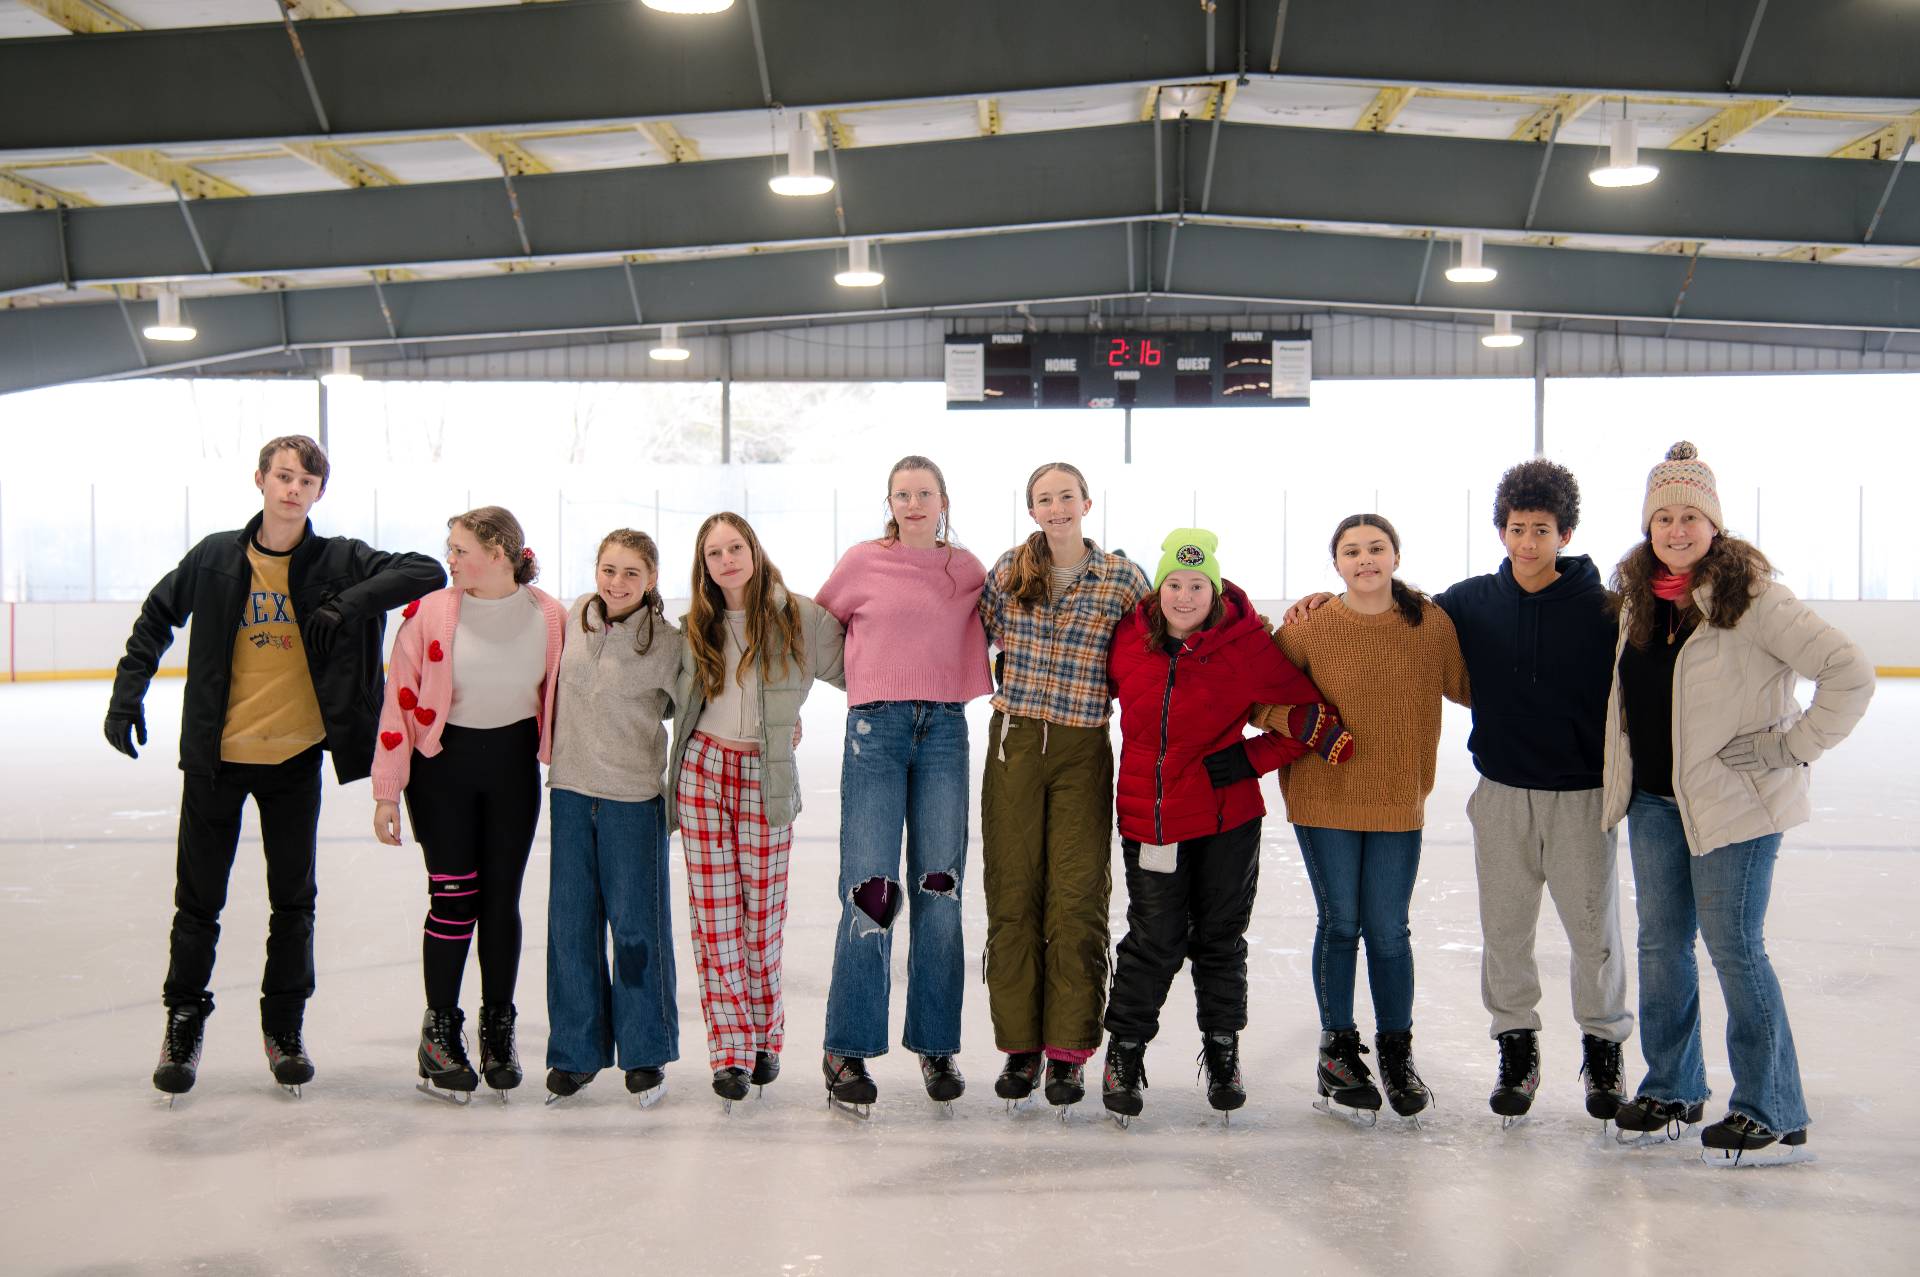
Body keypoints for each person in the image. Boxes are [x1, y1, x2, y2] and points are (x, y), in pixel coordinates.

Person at [1287, 459, 1632, 1125]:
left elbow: (1631, 680)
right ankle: (1511, 1050)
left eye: (1541, 529)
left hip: (1571, 793)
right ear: (1501, 530)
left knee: (1590, 933)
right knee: (1489, 932)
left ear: (1564, 532)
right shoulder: (1468, 601)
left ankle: (1600, 1050)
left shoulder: (1592, 609)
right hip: (1477, 793)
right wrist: (1312, 620)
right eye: (1516, 528)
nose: (1528, 541)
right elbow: (1290, 670)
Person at [106, 435, 443, 1099]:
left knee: (294, 902)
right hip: (216, 758)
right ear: (259, 479)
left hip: (293, 758)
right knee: (197, 901)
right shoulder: (214, 558)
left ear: (320, 491)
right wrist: (127, 690)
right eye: (283, 476)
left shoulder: (338, 559)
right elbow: (157, 616)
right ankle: (183, 1020)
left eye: (307, 480)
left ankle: (284, 1027)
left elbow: (425, 569)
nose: (293, 488)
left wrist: (346, 602)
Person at [1603, 442, 1872, 1164]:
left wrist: (1792, 746)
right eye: (1663, 516)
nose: (1677, 528)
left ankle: (1772, 1106)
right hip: (1656, 803)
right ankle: (1673, 1088)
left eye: (1691, 515)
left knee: (1734, 949)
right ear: (1648, 526)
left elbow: (1850, 672)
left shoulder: (1752, 596)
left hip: (1735, 804)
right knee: (1661, 949)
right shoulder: (1635, 597)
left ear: (1715, 525)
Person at [1101, 529, 1352, 1122]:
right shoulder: (1128, 640)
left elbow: (1315, 719)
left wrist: (1249, 758)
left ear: (1214, 592)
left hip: (1226, 820)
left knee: (1218, 940)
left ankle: (1222, 1053)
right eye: (1174, 584)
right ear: (1158, 588)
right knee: (1153, 940)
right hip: (1151, 818)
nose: (1184, 597)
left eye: (1197, 586)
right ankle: (1125, 1055)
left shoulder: (1246, 646)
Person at [1261, 513, 1468, 1123]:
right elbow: (1254, 695)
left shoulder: (1430, 626)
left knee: (1389, 930)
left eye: (1376, 548)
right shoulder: (1313, 627)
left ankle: (1396, 1052)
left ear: (1396, 556)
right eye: (1351, 551)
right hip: (1324, 795)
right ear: (1337, 565)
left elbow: (1473, 686)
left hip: (1398, 797)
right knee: (1342, 921)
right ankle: (1338, 1051)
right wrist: (1294, 722)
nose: (1365, 559)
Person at [813, 456, 992, 1111]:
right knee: (871, 889)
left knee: (939, 891)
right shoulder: (863, 560)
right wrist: (860, 682)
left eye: (924, 492)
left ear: (943, 499)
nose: (913, 502)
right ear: (889, 500)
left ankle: (936, 1043)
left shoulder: (966, 569)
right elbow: (816, 630)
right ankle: (847, 1047)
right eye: (902, 493)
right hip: (875, 735)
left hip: (944, 732)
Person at [371, 507, 565, 1101]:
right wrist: (387, 792)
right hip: (442, 772)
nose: (448, 559)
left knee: (501, 902)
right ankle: (439, 1031)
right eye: (449, 548)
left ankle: (498, 1027)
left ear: (501, 554)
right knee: (454, 898)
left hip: (511, 772)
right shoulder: (431, 613)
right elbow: (398, 706)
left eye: (460, 550)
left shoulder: (551, 617)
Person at [977, 461, 1151, 1109]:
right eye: (1044, 499)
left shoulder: (1122, 580)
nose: (1057, 508)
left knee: (1076, 895)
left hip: (1082, 745)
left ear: (1086, 502)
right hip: (1015, 743)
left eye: (1066, 496)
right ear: (1032, 510)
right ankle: (1021, 1047)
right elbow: (971, 631)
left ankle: (1070, 1052)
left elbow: (1166, 638)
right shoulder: (1008, 572)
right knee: (1014, 892)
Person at [667, 512, 845, 1105]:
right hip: (702, 773)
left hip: (764, 778)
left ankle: (766, 1035)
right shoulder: (694, 625)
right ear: (704, 566)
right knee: (715, 920)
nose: (726, 561)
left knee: (759, 920)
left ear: (754, 549)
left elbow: (857, 665)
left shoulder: (799, 616)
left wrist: (785, 721)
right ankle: (731, 1052)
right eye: (713, 554)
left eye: (734, 547)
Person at [543, 530, 683, 1106]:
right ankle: (576, 1054)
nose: (616, 582)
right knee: (571, 928)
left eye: (630, 573)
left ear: (651, 579)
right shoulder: (576, 614)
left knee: (635, 931)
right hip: (571, 791)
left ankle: (645, 1053)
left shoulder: (670, 643)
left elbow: (699, 705)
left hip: (632, 800)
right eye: (608, 569)